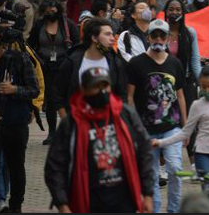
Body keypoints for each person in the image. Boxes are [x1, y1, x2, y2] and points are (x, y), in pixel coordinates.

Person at [44, 67, 154, 213]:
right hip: (87, 203)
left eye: (105, 86)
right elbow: (54, 167)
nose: (101, 91)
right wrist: (62, 204)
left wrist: (148, 194)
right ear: (83, 89)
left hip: (125, 203)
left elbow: (144, 150)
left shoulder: (125, 114)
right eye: (95, 86)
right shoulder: (71, 123)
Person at [127, 19, 187, 213]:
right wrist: (134, 127)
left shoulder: (174, 63)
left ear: (168, 38)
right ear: (148, 37)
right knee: (151, 176)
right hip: (146, 130)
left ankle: (174, 210)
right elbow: (129, 97)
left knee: (175, 171)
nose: (159, 39)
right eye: (155, 35)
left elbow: (180, 95)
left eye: (163, 35)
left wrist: (185, 127)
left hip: (172, 129)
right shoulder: (136, 63)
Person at [153, 65, 209, 177]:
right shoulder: (197, 105)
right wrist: (160, 142)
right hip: (203, 154)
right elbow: (185, 132)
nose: (207, 91)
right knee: (208, 188)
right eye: (203, 87)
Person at [0, 24, 39, 213]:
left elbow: (34, 89)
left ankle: (16, 206)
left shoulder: (20, 59)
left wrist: (15, 90)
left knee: (16, 166)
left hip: (15, 122)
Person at [28, 0, 79, 145]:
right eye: (48, 10)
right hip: (46, 68)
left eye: (54, 10)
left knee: (67, 99)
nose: (51, 12)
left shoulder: (67, 25)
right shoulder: (39, 25)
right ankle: (51, 133)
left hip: (64, 67)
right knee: (50, 101)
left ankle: (69, 131)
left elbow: (76, 44)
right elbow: (31, 45)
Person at [53, 18, 127, 117]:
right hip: (78, 121)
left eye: (112, 34)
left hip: (106, 123)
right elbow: (58, 93)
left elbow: (122, 94)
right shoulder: (73, 61)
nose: (112, 38)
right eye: (107, 34)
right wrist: (66, 120)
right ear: (94, 38)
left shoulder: (115, 62)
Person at [164, 0, 201, 115]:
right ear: (166, 12)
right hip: (165, 83)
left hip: (186, 83)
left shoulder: (190, 33)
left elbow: (195, 61)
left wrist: (203, 81)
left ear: (183, 12)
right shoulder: (160, 33)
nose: (174, 13)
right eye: (171, 9)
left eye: (178, 10)